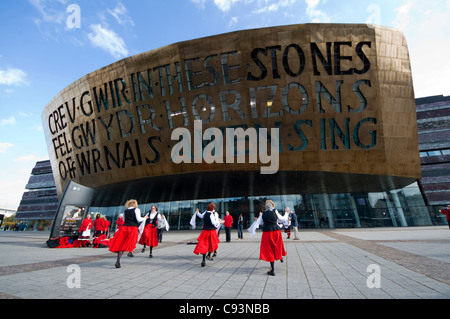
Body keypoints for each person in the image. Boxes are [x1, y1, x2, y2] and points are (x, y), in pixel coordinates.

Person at [249, 200, 288, 276]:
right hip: (276, 231)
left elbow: (260, 223)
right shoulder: (275, 211)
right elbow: (282, 219)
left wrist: (254, 226)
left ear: (265, 207)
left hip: (267, 232)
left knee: (269, 249)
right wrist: (286, 212)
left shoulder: (263, 214)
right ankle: (280, 257)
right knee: (277, 245)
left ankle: (272, 270)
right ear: (272, 206)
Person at [109, 199, 148, 268]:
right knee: (131, 242)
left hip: (124, 228)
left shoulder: (125, 211)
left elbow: (124, 220)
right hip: (132, 228)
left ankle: (118, 260)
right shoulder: (136, 210)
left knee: (122, 243)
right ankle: (130, 253)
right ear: (135, 204)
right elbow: (139, 219)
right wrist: (144, 218)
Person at [192, 203, 223, 267]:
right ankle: (208, 255)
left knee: (204, 245)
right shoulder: (212, 214)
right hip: (211, 231)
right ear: (212, 208)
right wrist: (220, 222)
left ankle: (203, 260)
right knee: (213, 244)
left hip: (205, 231)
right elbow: (214, 223)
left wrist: (197, 213)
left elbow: (201, 216)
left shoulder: (206, 213)